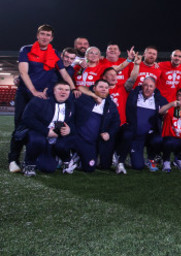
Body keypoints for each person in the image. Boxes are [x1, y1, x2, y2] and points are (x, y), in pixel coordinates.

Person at [9, 24, 76, 173]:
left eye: (48, 35)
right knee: (20, 126)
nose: (45, 37)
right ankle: (13, 160)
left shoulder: (54, 53)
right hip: (26, 94)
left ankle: (34, 155)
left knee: (41, 126)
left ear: (51, 38)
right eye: (42, 34)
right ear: (37, 35)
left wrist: (74, 88)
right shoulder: (26, 50)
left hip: (43, 96)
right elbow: (24, 73)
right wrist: (33, 90)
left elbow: (64, 73)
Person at [20, 81, 76, 177]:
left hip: (58, 136)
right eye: (60, 89)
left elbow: (74, 122)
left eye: (67, 90)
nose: (63, 92)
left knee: (48, 169)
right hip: (40, 134)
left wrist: (69, 129)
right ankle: (29, 162)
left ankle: (66, 160)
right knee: (37, 140)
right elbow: (27, 118)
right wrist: (46, 132)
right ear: (53, 91)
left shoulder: (70, 104)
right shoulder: (40, 100)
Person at [116, 76, 168, 173]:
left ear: (155, 88)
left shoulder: (160, 99)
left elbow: (169, 111)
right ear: (141, 86)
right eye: (146, 85)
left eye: (151, 86)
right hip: (135, 136)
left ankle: (152, 158)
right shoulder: (133, 95)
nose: (148, 88)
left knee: (159, 139)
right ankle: (123, 155)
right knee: (138, 166)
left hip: (150, 136)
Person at [70, 79, 121, 173]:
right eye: (101, 87)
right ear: (94, 88)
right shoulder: (84, 98)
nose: (104, 89)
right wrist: (94, 96)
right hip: (79, 136)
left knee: (91, 168)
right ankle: (74, 153)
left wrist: (109, 133)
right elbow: (81, 88)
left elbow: (116, 122)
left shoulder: (111, 105)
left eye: (106, 88)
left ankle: (80, 156)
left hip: (94, 141)